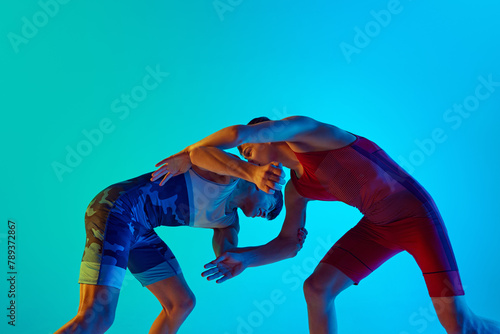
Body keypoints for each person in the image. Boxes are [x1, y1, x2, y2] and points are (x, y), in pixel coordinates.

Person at [152, 115, 500, 334]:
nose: (244, 152)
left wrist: (188, 154)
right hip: (378, 227)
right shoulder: (296, 189)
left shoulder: (309, 132)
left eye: (249, 146)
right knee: (316, 290)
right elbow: (288, 244)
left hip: (416, 215)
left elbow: (240, 132)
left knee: (459, 325)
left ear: (264, 134)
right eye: (242, 152)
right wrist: (244, 257)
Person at [54, 150, 293, 334]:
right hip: (119, 209)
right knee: (98, 316)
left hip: (141, 230)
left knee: (182, 303)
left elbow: (230, 256)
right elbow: (200, 153)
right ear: (266, 184)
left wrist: (286, 245)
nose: (268, 214)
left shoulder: (228, 222)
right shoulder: (230, 172)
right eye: (273, 205)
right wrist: (252, 169)